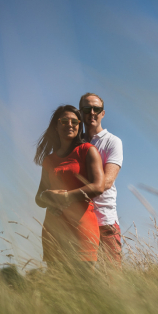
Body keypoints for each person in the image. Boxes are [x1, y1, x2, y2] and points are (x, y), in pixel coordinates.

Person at [34, 105, 105, 266]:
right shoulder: (49, 160)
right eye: (64, 121)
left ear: (79, 126)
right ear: (56, 126)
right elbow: (39, 197)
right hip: (54, 229)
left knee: (85, 287)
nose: (70, 124)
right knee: (57, 287)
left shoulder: (88, 150)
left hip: (81, 228)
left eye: (75, 121)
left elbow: (98, 186)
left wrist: (65, 196)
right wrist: (49, 198)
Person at [79, 92, 124, 263]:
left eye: (96, 109)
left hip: (105, 219)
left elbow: (106, 182)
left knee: (112, 279)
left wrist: (68, 196)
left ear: (102, 113)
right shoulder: (75, 143)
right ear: (80, 112)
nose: (92, 112)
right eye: (87, 108)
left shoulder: (113, 141)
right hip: (79, 219)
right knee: (81, 279)